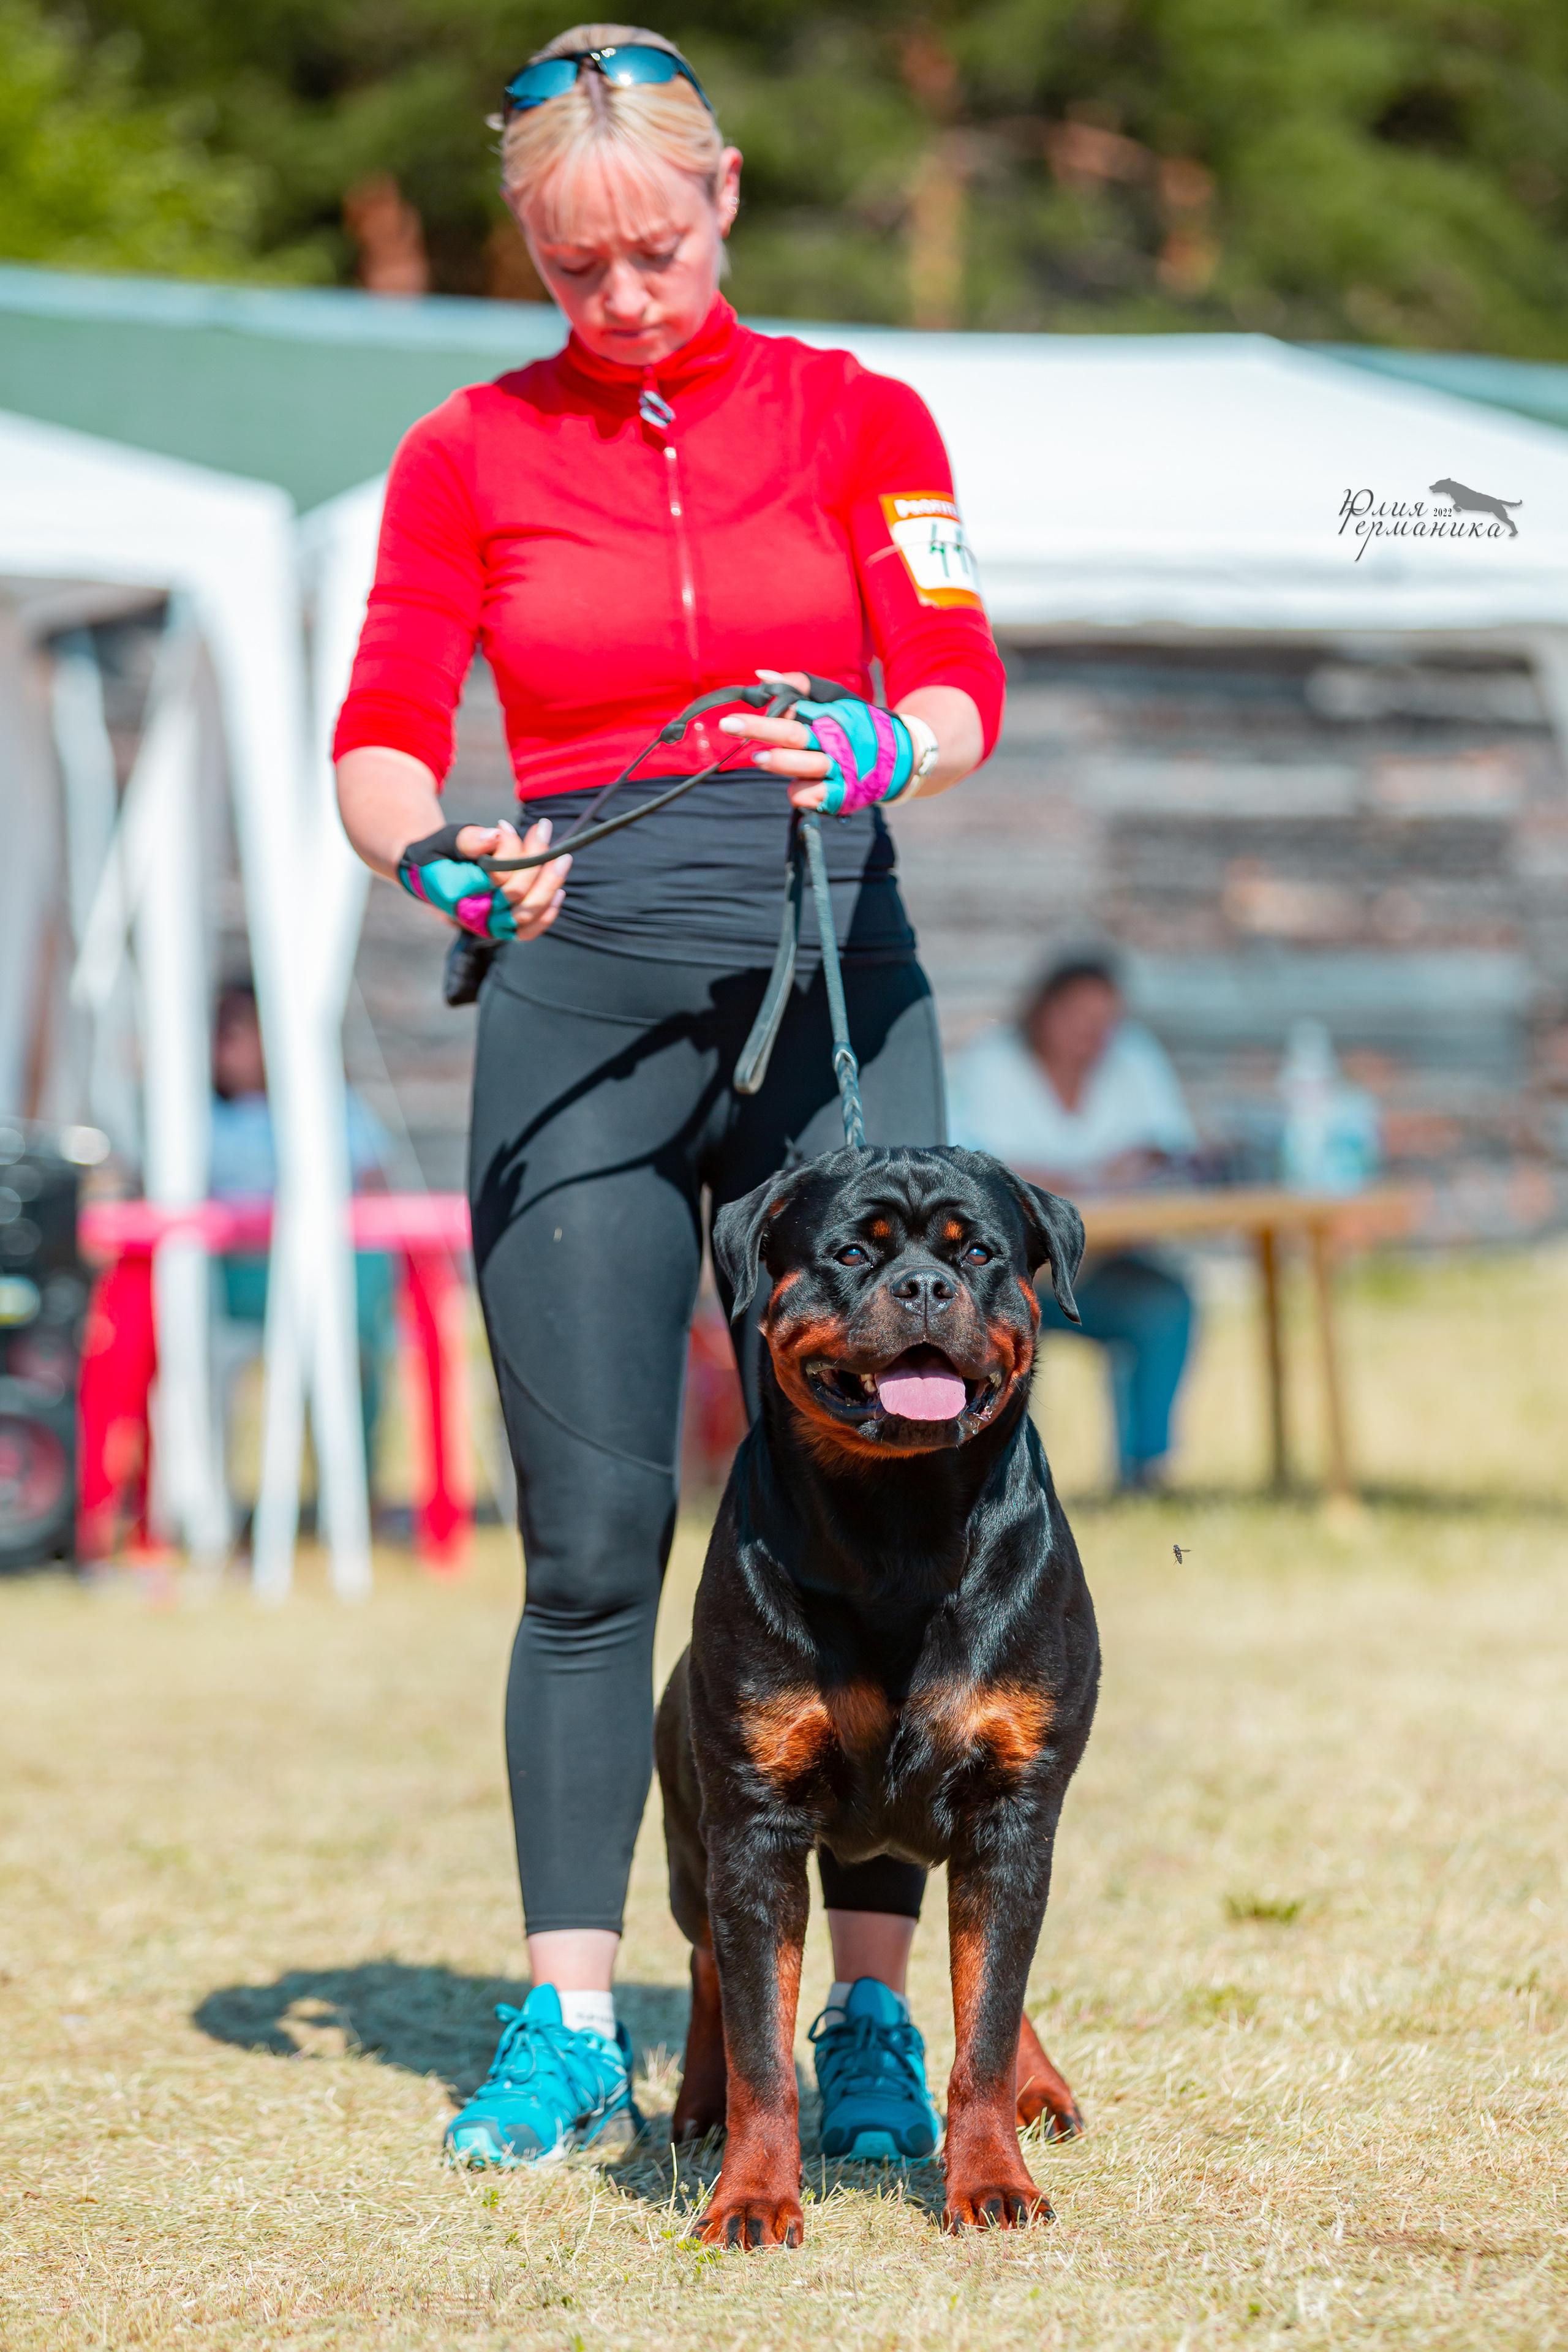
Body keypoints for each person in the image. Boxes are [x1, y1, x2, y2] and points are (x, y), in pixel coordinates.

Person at [333, 25, 1006, 2169]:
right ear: (525, 251)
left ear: (724, 198)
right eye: (573, 267)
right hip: (581, 1016)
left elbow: (957, 676)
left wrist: (891, 750)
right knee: (594, 1541)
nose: (622, 298)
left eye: (655, 250)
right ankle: (563, 2020)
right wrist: (439, 853)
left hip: (833, 990)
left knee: (891, 1513)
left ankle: (871, 2020)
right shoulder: (465, 450)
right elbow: (382, 731)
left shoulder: (859, 413)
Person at [948, 956, 1197, 1488]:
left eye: (1105, 1020)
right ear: (1045, 1013)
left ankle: (1146, 1472)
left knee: (1166, 1305)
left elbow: (1168, 1150)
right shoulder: (993, 1061)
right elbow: (972, 1167)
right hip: (1006, 1279)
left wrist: (1063, 1178)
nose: (1093, 1033)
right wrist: (1097, 1175)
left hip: (1104, 1265)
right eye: (1080, 1017)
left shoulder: (1134, 1055)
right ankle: (991, 1481)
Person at [208, 982, 394, 1489]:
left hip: (323, 1279)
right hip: (230, 1283)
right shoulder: (193, 1120)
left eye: (235, 1032)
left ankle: (351, 1484)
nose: (222, 1046)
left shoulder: (332, 1107)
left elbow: (375, 1190)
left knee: (354, 1342)